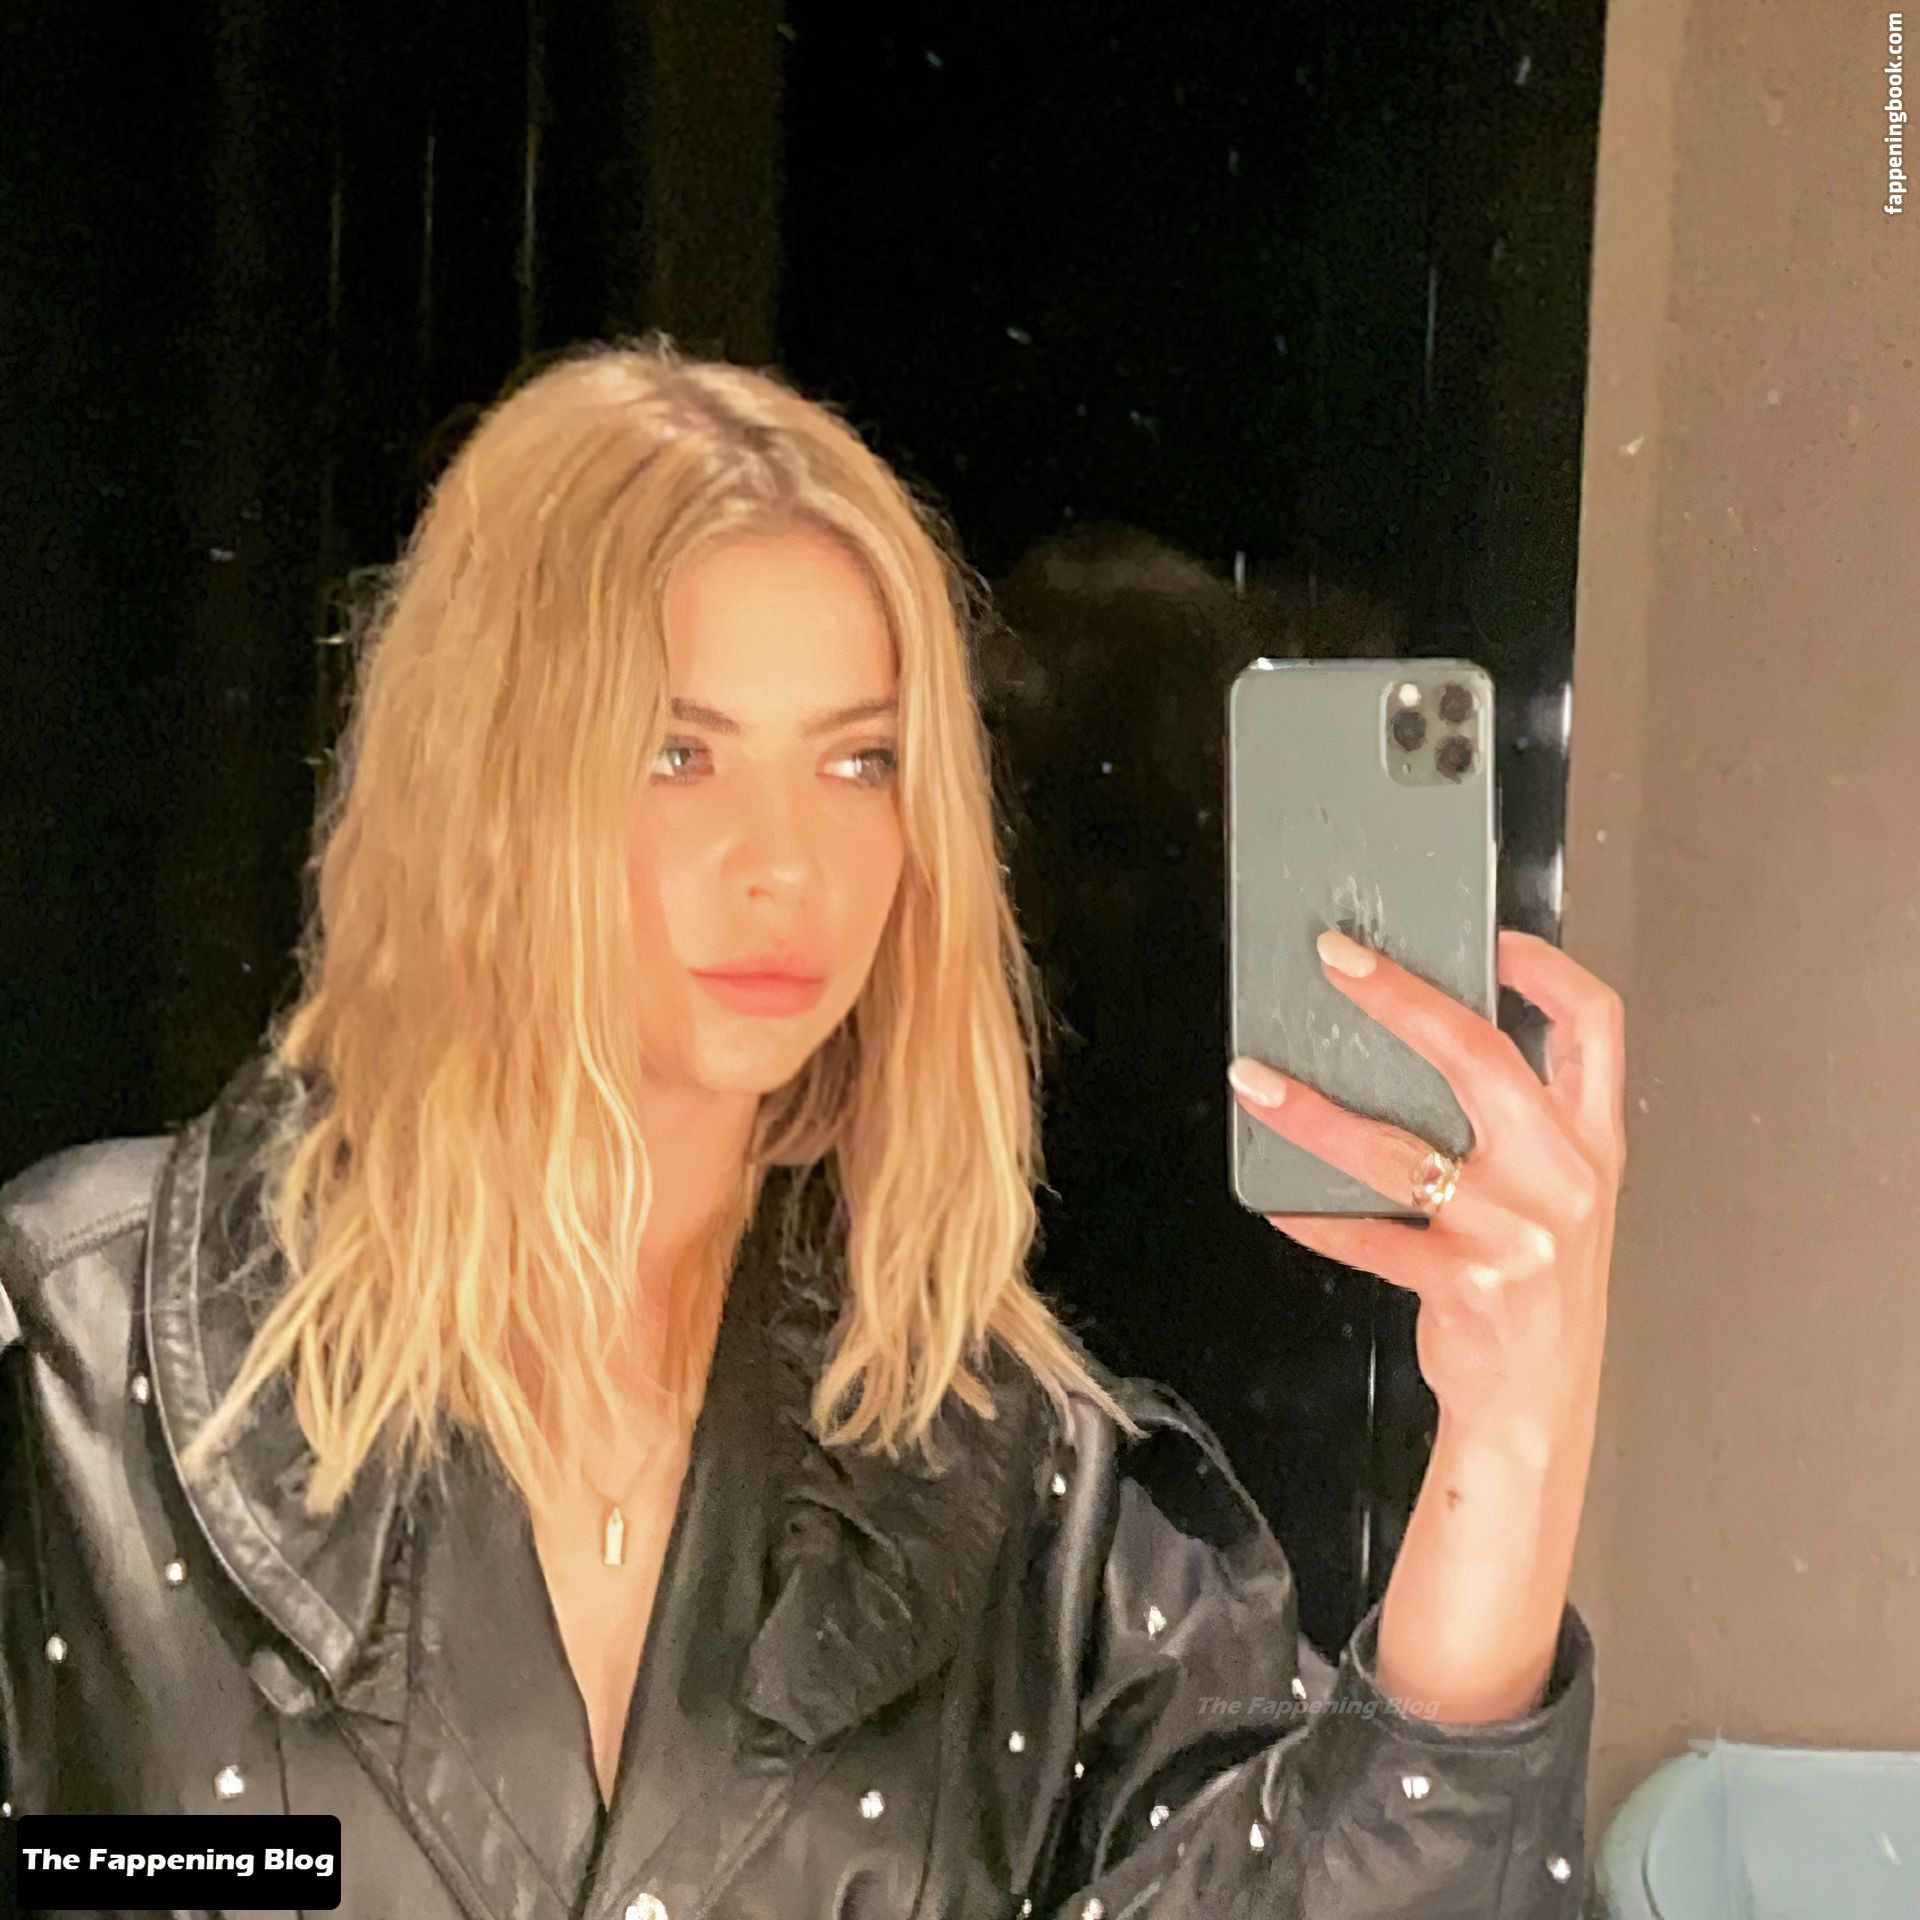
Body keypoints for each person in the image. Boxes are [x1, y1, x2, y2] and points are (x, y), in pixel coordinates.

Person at [0, 335, 1624, 1918]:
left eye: (858, 762)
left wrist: (1514, 1438)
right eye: (677, 751)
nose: (786, 863)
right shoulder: (78, 1364)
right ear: (478, 784)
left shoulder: (1005, 1486)